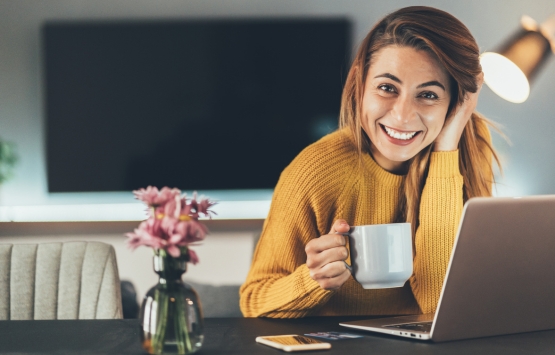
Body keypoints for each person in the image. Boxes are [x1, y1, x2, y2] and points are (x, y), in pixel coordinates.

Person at [240, 6, 500, 318]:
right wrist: (311, 280)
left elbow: (439, 305)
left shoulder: (467, 145)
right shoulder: (316, 170)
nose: (402, 116)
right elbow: (254, 301)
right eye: (387, 88)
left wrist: (445, 150)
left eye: (429, 95)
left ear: (456, 102)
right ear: (360, 84)